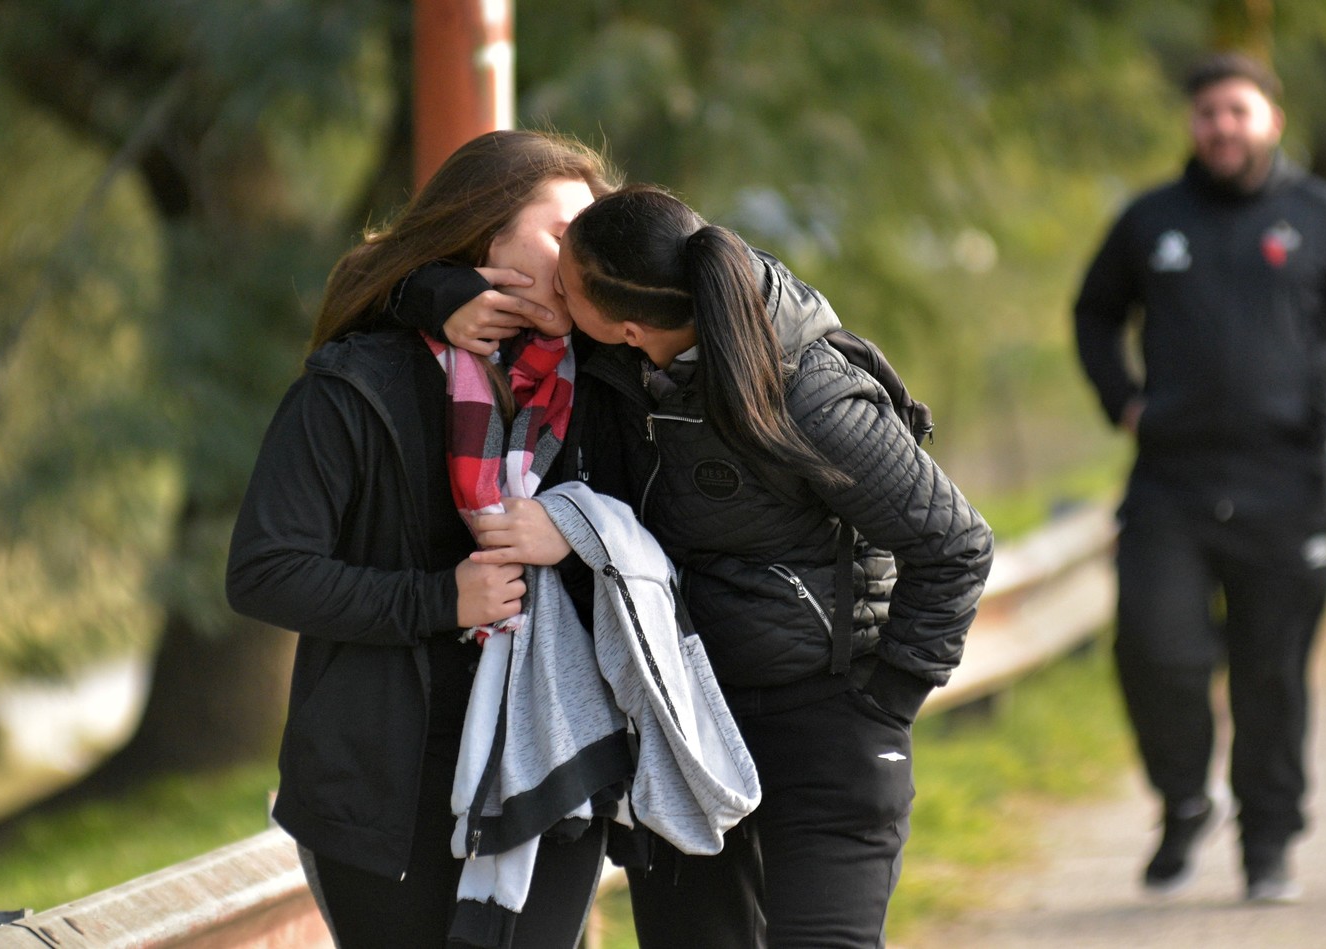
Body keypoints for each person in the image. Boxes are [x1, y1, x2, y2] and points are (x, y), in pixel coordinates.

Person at [454, 184, 993, 948]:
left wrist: (884, 703)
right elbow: (411, 285)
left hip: (827, 723)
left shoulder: (810, 392)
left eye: (566, 286)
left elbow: (956, 543)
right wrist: (439, 293)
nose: (551, 293)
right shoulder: (615, 350)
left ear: (630, 325)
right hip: (682, 726)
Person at [225, 129, 624, 949]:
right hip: (381, 790)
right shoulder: (353, 385)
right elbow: (265, 571)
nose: (579, 257)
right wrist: (441, 598)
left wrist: (577, 530)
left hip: (550, 766)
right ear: (485, 234)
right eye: (560, 233)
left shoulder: (606, 381)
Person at [1072, 52, 1326, 903]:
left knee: (1270, 673)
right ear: (1192, 125)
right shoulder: (1150, 219)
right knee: (1153, 648)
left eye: (1237, 111)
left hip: (1285, 483)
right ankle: (1184, 799)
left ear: (1269, 121)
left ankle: (1268, 844)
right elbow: (1093, 312)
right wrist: (1123, 401)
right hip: (1170, 486)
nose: (1220, 125)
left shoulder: (1322, 216)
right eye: (1207, 112)